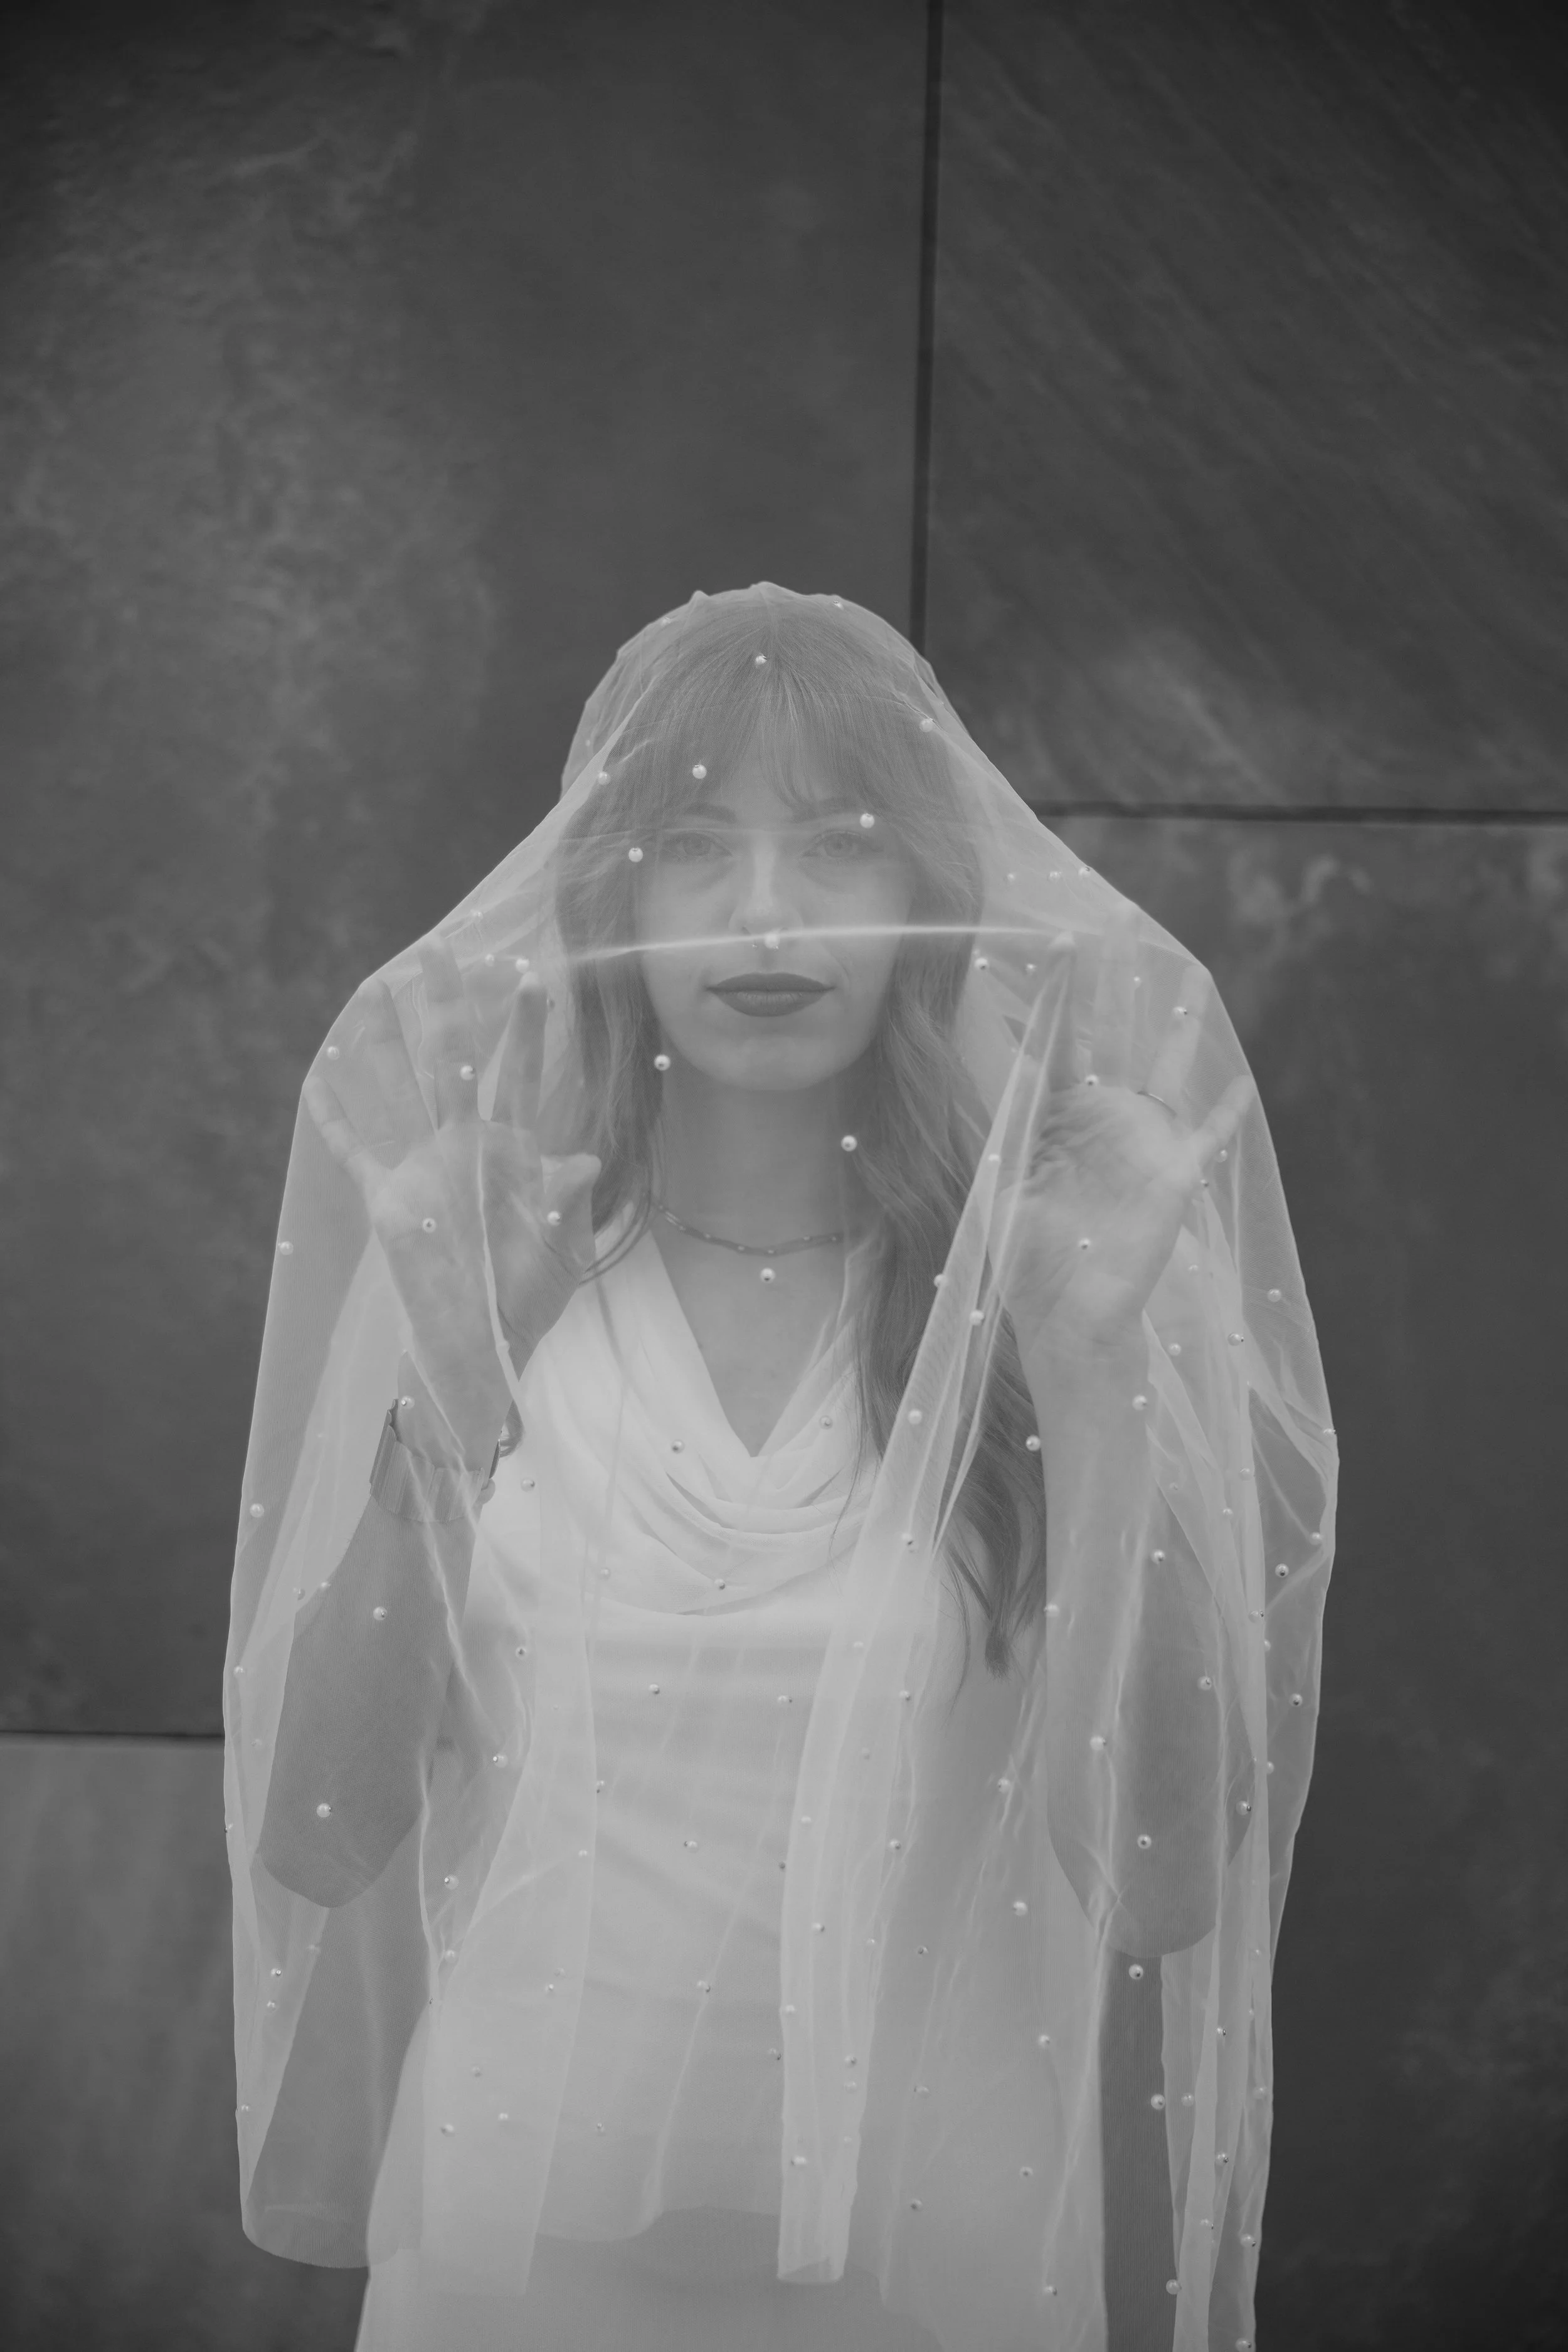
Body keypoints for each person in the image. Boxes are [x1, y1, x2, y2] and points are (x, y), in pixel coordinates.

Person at [225, 585, 1337, 2351]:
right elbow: (316, 1829)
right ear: (610, 901)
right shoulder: (493, 1266)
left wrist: (1094, 1370)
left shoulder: (1034, 1290)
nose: (767, 912)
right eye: (693, 848)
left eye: (838, 844)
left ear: (925, 899)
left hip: (938, 2260)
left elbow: (1162, 1884)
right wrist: (454, 1384)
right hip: (516, 2254)